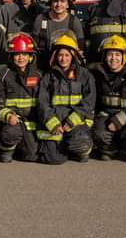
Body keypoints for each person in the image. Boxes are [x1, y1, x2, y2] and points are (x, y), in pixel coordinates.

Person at [38, 33, 96, 164]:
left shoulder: (85, 75)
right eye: (60, 55)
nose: (63, 59)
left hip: (76, 122)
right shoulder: (48, 77)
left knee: (81, 144)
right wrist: (53, 123)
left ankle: (80, 150)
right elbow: (43, 103)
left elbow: (89, 102)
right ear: (55, 56)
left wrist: (71, 122)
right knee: (53, 159)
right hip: (56, 122)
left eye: (67, 55)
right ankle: (64, 146)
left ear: (73, 56)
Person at [91, 35, 126, 162]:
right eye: (110, 55)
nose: (113, 59)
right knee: (100, 134)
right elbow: (94, 103)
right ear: (104, 57)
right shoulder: (98, 76)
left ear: (125, 57)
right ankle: (111, 148)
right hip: (107, 115)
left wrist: (118, 121)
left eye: (117, 55)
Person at [0, 33, 43, 163]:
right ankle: (5, 149)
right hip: (12, 122)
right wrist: (8, 115)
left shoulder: (38, 76)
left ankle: (20, 147)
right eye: (17, 54)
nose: (21, 58)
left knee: (31, 156)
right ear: (11, 56)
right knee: (11, 134)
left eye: (25, 54)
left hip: (30, 123)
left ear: (31, 57)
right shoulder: (2, 75)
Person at [31, 0, 85, 70]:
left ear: (68, 4)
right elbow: (34, 48)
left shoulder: (74, 22)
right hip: (44, 67)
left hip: (68, 67)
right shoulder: (40, 19)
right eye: (55, 1)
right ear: (50, 3)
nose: (59, 5)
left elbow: (80, 50)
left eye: (62, 1)